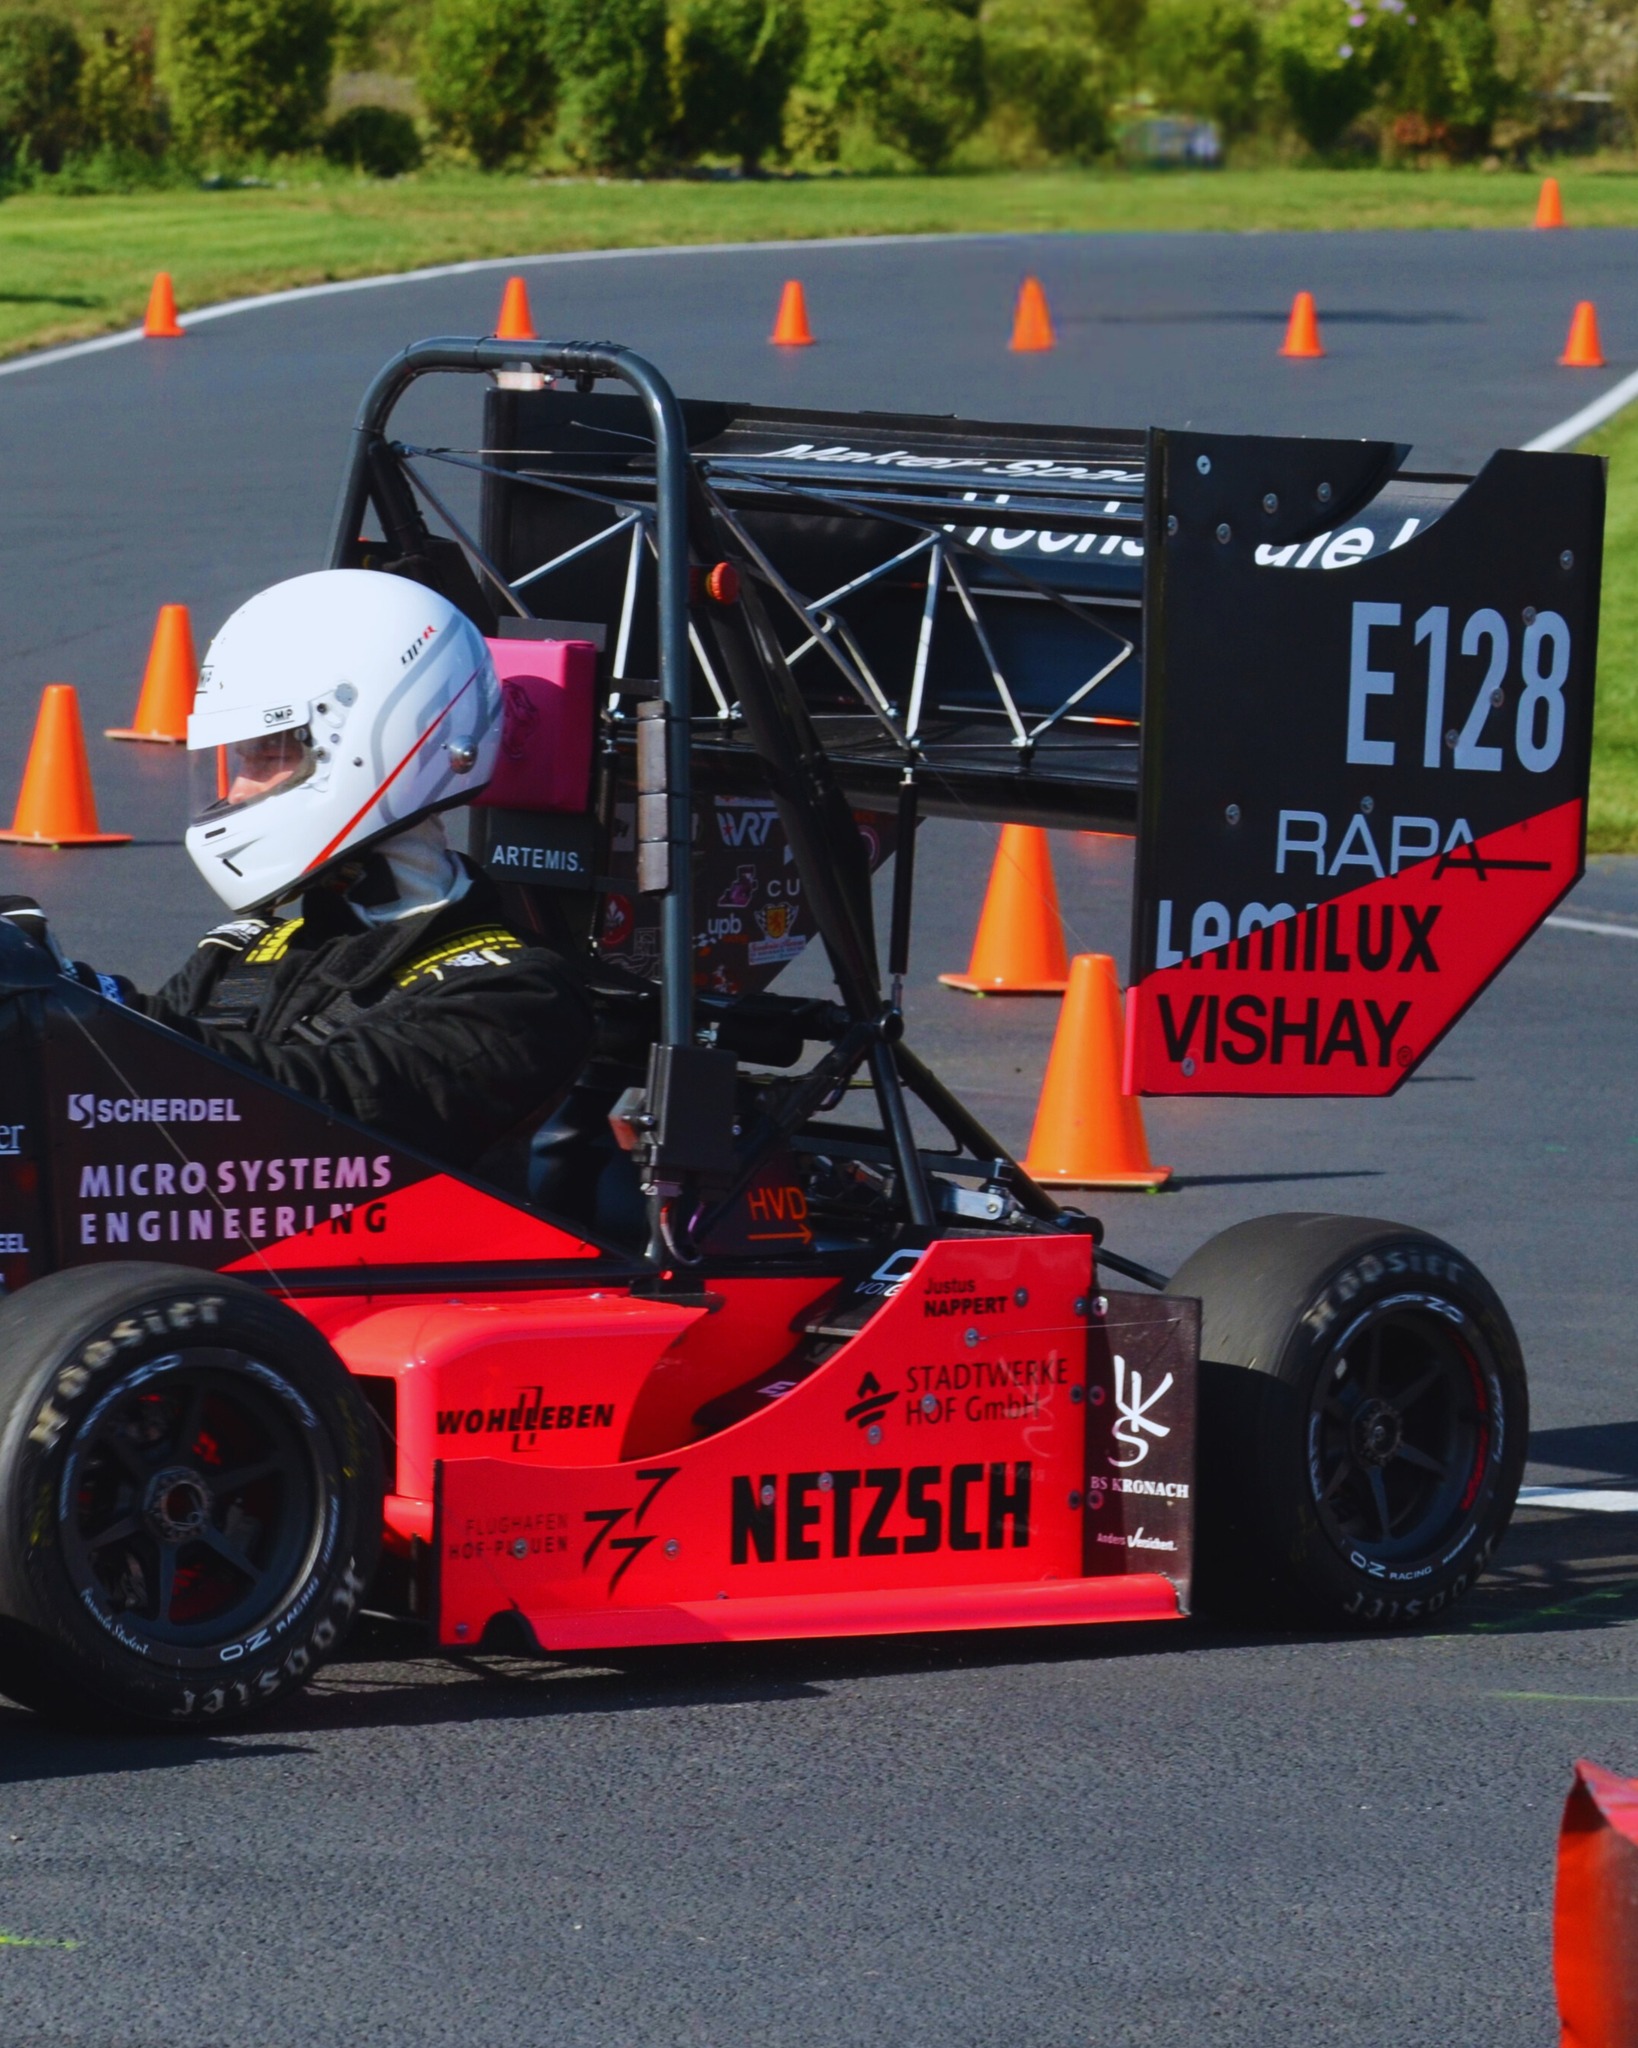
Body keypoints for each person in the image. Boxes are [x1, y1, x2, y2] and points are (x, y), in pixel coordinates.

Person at [129, 568, 593, 1176]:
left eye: (269, 755)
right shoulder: (240, 954)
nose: (238, 790)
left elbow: (331, 1107)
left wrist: (88, 999)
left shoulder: (519, 993)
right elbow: (114, 1097)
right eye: (241, 759)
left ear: (384, 739)